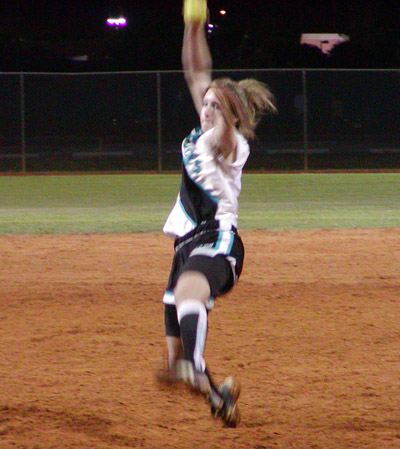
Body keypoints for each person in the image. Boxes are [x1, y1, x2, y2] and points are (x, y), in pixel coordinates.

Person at [157, 0, 277, 427]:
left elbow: (224, 126)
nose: (205, 109)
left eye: (215, 107)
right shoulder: (202, 129)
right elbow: (195, 70)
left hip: (217, 240)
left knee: (191, 293)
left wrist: (225, 115)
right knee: (177, 367)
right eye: (204, 104)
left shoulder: (230, 144)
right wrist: (194, 22)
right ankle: (219, 395)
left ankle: (195, 360)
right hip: (185, 247)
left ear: (232, 117)